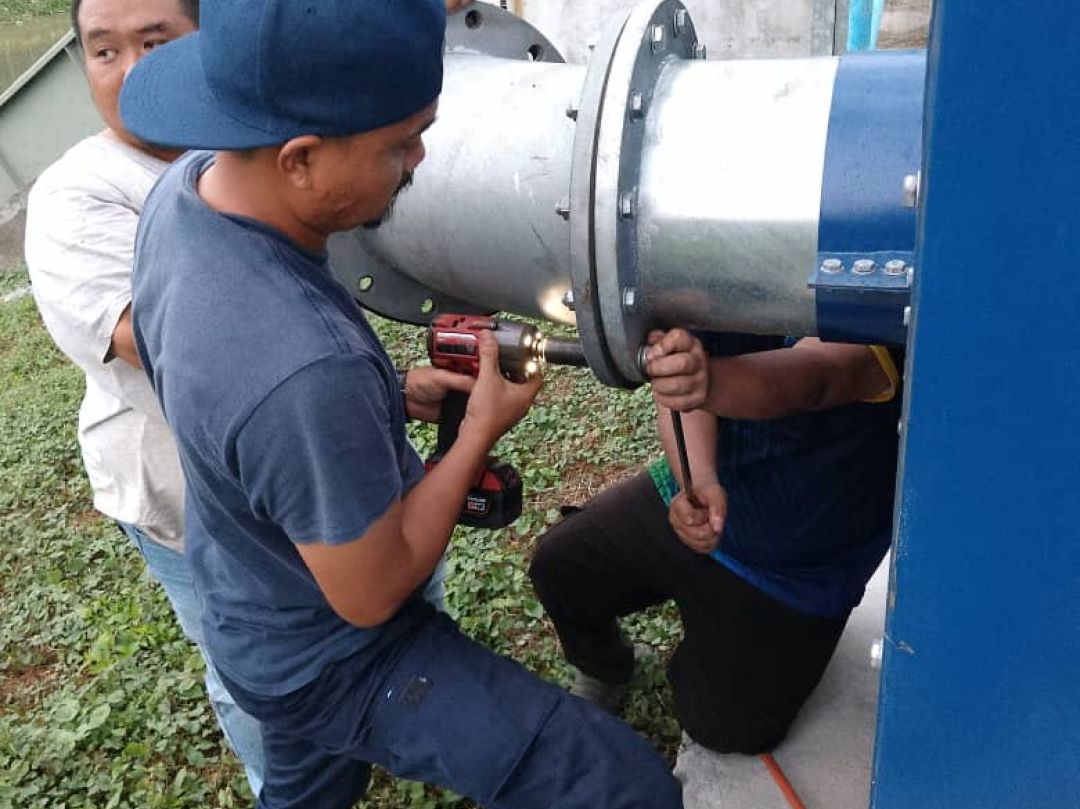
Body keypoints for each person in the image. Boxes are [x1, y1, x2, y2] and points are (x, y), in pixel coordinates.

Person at [119, 1, 684, 807]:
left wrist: (384, 399)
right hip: (339, 659)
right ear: (301, 159)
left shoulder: (184, 195)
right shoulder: (303, 368)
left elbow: (234, 395)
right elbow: (371, 591)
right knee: (623, 786)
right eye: (399, 143)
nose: (419, 158)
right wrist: (477, 430)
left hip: (252, 617)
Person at [23, 0, 264, 792]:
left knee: (389, 613)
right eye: (103, 50)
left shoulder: (246, 144)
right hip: (189, 499)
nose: (129, 72)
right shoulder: (76, 194)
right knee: (252, 672)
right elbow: (171, 343)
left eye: (156, 42)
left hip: (317, 466)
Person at [530, 329, 902, 754]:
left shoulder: (879, 292)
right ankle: (606, 666)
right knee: (562, 565)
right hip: (706, 501)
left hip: (794, 568)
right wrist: (696, 478)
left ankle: (720, 649)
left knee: (723, 727)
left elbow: (822, 377)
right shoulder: (706, 267)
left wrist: (702, 380)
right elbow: (681, 378)